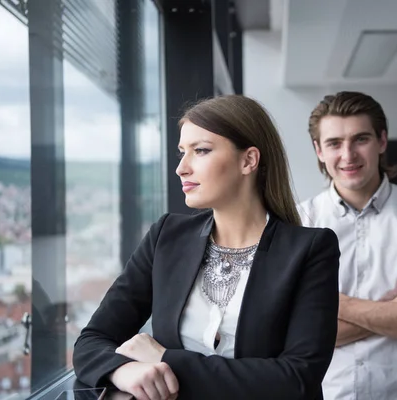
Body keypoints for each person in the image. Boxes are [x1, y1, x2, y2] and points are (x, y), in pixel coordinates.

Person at [73, 95, 341, 400]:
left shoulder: (311, 249)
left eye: (200, 151)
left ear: (248, 160)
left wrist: (164, 360)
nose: (181, 168)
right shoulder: (166, 236)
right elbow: (92, 340)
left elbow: (297, 379)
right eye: (182, 152)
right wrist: (122, 370)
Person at [299, 91, 397, 400]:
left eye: (361, 139)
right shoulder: (299, 221)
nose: (348, 155)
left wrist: (332, 304)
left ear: (382, 141)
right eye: (334, 143)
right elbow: (298, 338)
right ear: (319, 150)